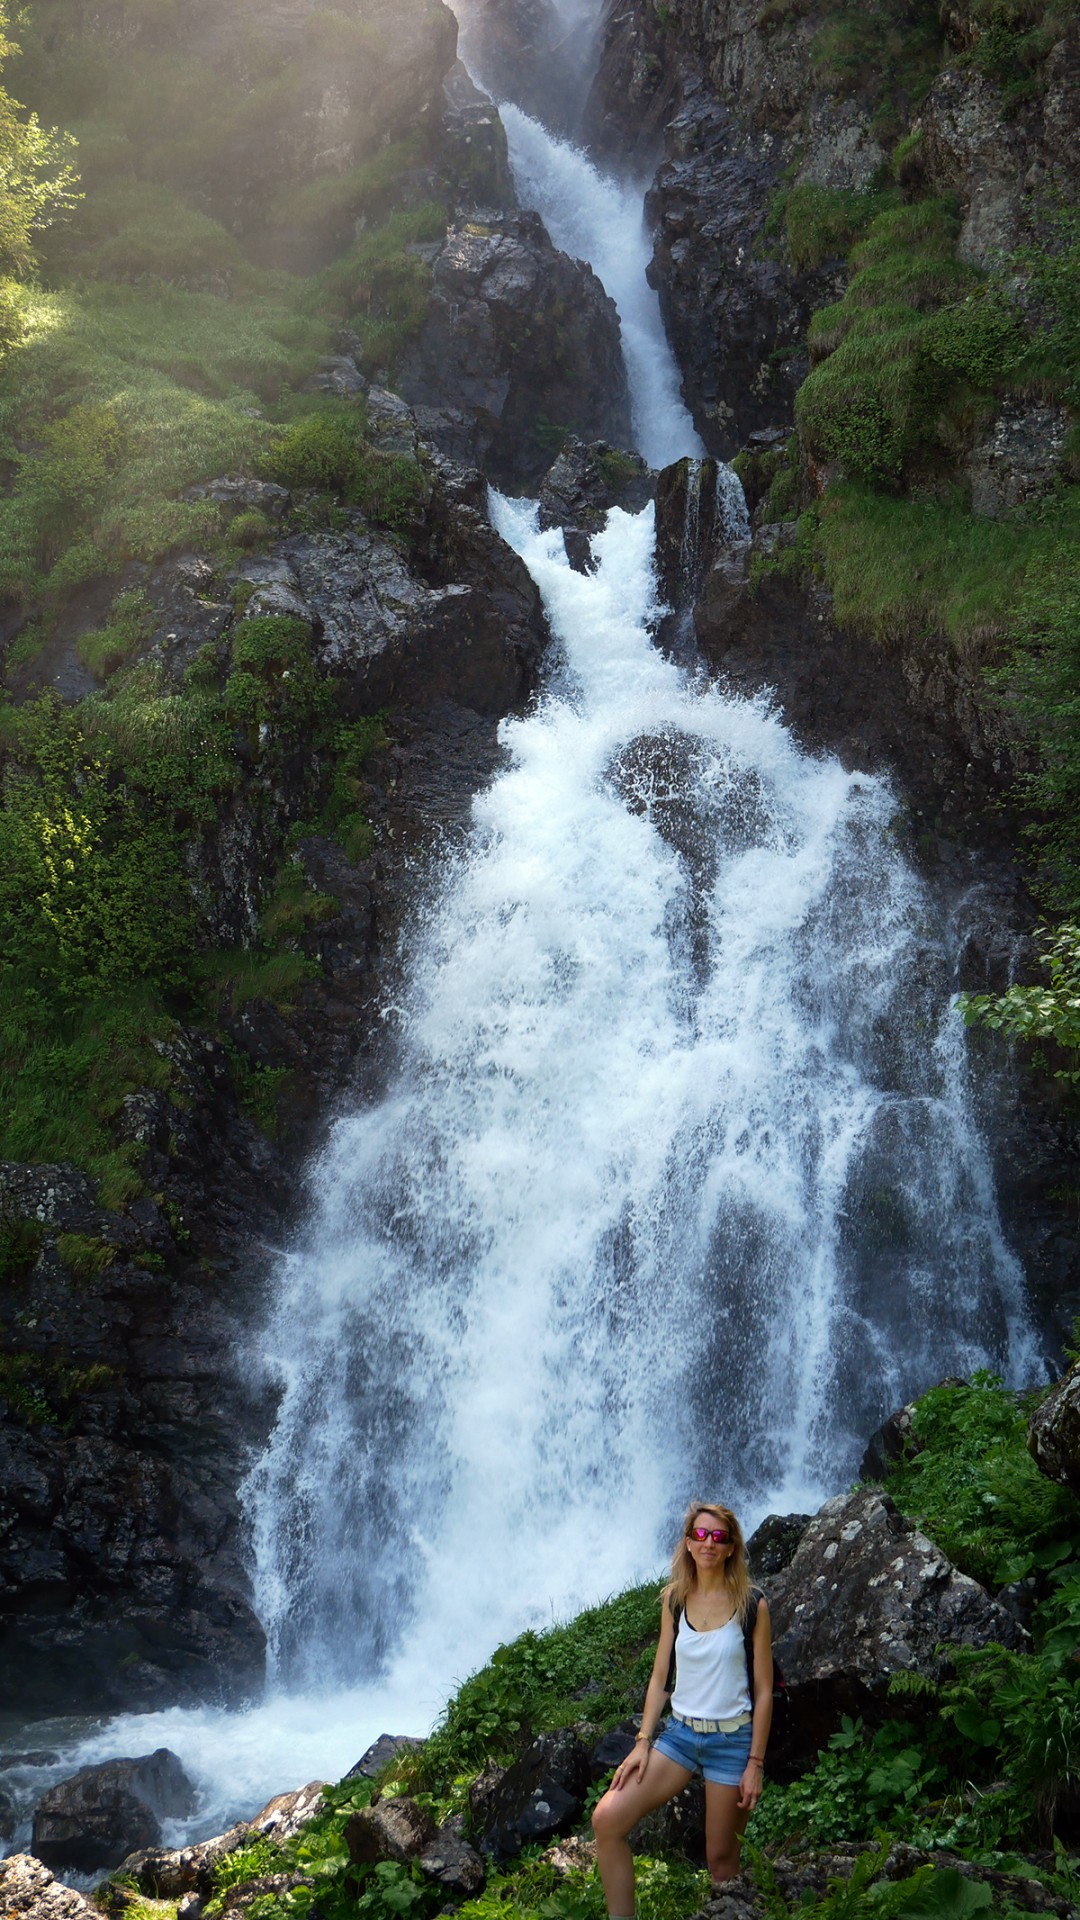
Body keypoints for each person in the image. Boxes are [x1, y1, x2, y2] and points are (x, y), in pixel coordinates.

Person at [591, 1500, 772, 1917]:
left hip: (732, 1740)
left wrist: (755, 1763)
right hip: (681, 1736)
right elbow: (659, 1679)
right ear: (688, 1543)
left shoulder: (752, 1605)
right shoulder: (674, 1600)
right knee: (607, 1820)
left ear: (730, 1548)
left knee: (721, 1863)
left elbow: (763, 1692)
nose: (709, 1543)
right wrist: (642, 1741)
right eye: (701, 1534)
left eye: (719, 1536)